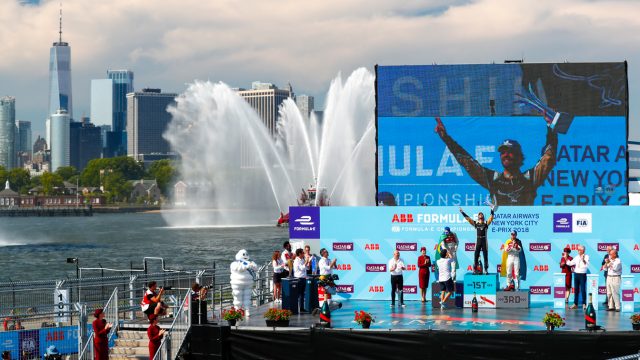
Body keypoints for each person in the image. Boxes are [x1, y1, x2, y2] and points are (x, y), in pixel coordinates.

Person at [434, 114, 558, 205]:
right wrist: (446, 138)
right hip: (499, 234)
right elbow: (467, 161)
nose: (506, 155)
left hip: (526, 232)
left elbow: (549, 158)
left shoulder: (530, 177)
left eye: (510, 152)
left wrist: (550, 128)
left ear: (519, 157)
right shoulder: (492, 178)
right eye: (503, 152)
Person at [460, 206, 495, 274]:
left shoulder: (486, 223)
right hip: (478, 240)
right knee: (476, 255)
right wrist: (462, 212)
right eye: (479, 214)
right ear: (478, 216)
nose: (480, 215)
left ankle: (486, 269)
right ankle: (475, 269)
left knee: (485, 256)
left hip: (484, 240)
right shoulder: (475, 223)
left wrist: (492, 210)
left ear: (483, 216)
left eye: (481, 214)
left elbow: (491, 218)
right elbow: (468, 219)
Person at [565, 245, 589, 309]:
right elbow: (570, 263)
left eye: (580, 250)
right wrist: (566, 258)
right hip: (576, 274)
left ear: (583, 250)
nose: (578, 251)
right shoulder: (576, 257)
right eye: (578, 250)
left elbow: (586, 265)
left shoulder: (586, 256)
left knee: (583, 289)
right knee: (576, 290)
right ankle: (575, 304)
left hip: (582, 275)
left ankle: (584, 304)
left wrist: (583, 259)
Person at [293, 248, 310, 312]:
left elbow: (306, 268)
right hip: (299, 279)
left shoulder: (302, 259)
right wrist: (306, 261)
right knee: (299, 294)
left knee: (302, 294)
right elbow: (302, 268)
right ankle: (297, 308)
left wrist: (308, 262)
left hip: (303, 278)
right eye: (303, 253)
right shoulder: (297, 261)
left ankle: (302, 308)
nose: (304, 254)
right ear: (299, 254)